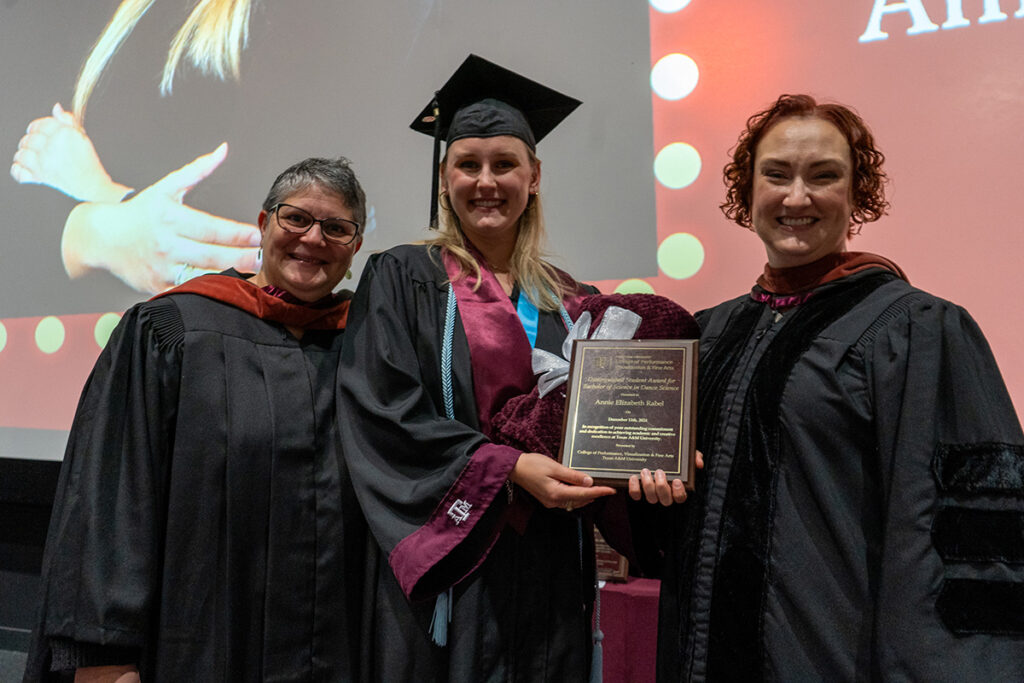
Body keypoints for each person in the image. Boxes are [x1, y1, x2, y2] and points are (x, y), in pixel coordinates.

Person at [630, 94, 1024, 680]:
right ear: (747, 191)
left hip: (834, 658)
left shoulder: (919, 330)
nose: (796, 197)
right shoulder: (709, 332)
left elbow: (969, 538)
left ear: (856, 193)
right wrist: (653, 491)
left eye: (824, 176)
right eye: (776, 174)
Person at [24, 156, 369, 682]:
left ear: (354, 248)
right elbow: (114, 498)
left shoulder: (366, 348)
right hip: (199, 644)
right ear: (263, 224)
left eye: (337, 229)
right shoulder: (172, 328)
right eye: (296, 218)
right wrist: (104, 657)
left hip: (330, 651)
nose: (313, 238)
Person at [337, 55, 619, 681]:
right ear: (445, 178)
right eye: (468, 164)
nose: (486, 181)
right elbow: (381, 409)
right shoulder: (402, 276)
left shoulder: (574, 300)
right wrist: (509, 468)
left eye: (504, 164)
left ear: (535, 176)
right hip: (449, 558)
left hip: (546, 559)